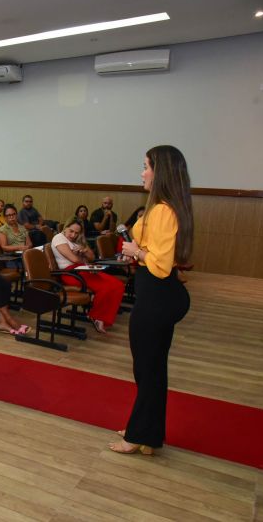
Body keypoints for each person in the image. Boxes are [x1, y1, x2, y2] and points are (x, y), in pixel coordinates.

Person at [110, 145, 193, 455]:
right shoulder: (168, 207)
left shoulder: (162, 211)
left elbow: (159, 263)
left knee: (148, 368)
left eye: (146, 166)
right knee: (150, 368)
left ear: (161, 172)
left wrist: (137, 252)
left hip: (157, 293)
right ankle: (147, 431)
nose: (142, 172)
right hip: (156, 293)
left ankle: (137, 435)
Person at [51, 220, 124, 333]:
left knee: (118, 285)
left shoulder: (78, 240)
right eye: (71, 231)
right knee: (105, 287)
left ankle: (101, 315)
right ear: (65, 228)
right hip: (71, 273)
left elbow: (92, 257)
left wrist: (84, 250)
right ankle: (97, 317)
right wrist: (83, 258)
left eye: (77, 233)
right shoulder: (58, 238)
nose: (73, 235)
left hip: (84, 269)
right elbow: (74, 259)